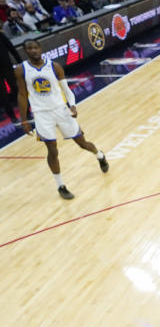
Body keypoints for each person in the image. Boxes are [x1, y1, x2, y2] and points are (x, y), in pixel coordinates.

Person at [16, 39, 109, 199]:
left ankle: (99, 155)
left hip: (61, 110)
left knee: (82, 144)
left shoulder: (54, 66)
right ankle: (61, 186)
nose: (33, 51)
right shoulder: (21, 69)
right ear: (25, 52)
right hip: (41, 114)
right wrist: (24, 120)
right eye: (29, 49)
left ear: (40, 48)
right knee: (52, 150)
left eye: (35, 47)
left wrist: (72, 105)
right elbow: (22, 95)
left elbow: (67, 90)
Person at [0, 26, 19, 125]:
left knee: (16, 89)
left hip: (7, 67)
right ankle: (12, 117)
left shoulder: (1, 35)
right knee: (3, 96)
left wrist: (20, 61)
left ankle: (27, 111)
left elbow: (12, 48)